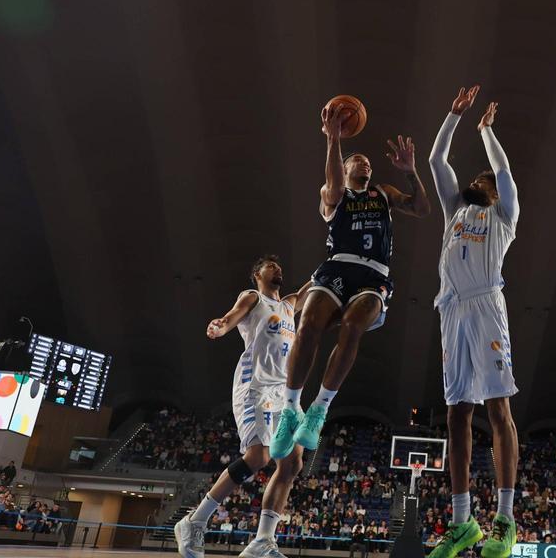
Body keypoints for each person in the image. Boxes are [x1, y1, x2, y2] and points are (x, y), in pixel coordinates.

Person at [271, 106, 430, 459]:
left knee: (354, 327)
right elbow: (332, 184)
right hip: (337, 268)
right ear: (345, 168)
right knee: (308, 323)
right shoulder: (335, 194)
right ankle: (290, 409)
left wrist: (410, 173)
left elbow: (421, 208)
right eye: (358, 160)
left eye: (368, 162)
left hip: (374, 275)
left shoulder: (383, 193)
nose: (366, 164)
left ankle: (319, 410)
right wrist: (333, 140)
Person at [426, 86, 522, 558]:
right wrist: (453, 115)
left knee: (498, 410)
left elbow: (503, 170)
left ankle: (505, 520)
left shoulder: (502, 214)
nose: (473, 184)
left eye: (479, 182)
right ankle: (463, 523)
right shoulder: (454, 212)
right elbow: (436, 161)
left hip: (486, 306)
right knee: (456, 412)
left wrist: (485, 131)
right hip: (451, 310)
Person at [175, 256, 307, 558]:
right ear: (257, 274)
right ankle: (194, 521)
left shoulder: (289, 304)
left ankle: (262, 540)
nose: (279, 269)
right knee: (258, 456)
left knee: (293, 462)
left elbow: (312, 289)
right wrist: (221, 327)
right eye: (271, 266)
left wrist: (337, 263)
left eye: (280, 267)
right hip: (255, 386)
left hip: (283, 391)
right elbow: (233, 315)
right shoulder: (253, 297)